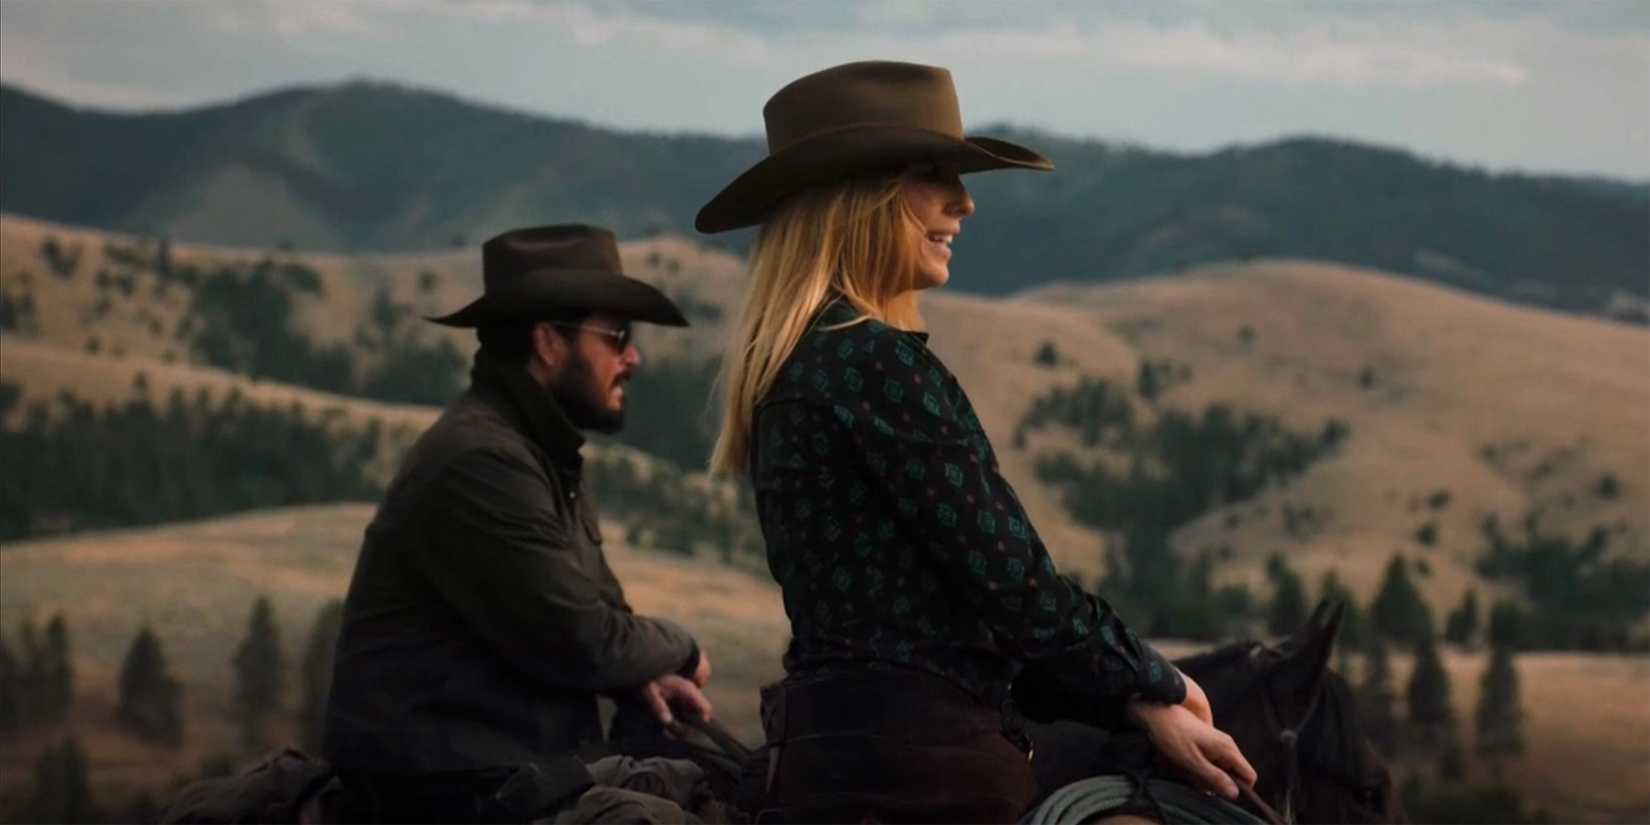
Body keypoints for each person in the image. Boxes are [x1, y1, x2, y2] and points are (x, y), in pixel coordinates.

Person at [699, 61, 1257, 822]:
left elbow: (944, 615)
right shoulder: (877, 365)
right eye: (934, 175)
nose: (963, 201)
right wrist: (1154, 684)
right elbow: (1019, 589)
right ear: (859, 196)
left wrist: (1130, 695)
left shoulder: (800, 364)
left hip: (830, 755)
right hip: (926, 774)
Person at [322, 224, 714, 822]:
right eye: (616, 335)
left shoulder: (538, 454)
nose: (631, 357)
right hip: (448, 790)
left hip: (510, 776)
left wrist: (641, 677)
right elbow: (586, 639)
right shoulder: (485, 461)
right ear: (549, 343)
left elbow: (603, 621)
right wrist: (683, 649)